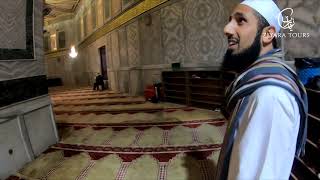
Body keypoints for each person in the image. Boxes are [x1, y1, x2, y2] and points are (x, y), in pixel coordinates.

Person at [215, 0, 308, 180]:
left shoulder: (270, 96)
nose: (227, 29)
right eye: (229, 21)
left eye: (240, 21)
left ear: (268, 34)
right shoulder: (253, 81)